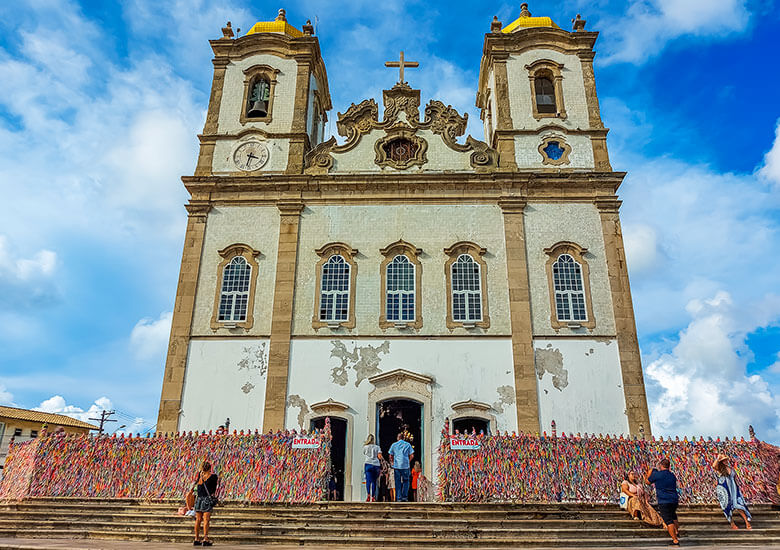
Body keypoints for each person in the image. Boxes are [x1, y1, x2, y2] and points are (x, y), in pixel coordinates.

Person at [645, 458, 680, 546]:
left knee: (668, 520)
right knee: (673, 515)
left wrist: (647, 474)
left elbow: (647, 482)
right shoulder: (672, 475)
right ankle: (676, 531)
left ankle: (675, 540)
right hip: (674, 499)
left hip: (664, 500)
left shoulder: (657, 475)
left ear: (661, 465)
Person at [712, 454, 752, 530]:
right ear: (722, 461)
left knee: (739, 505)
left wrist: (738, 488)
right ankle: (732, 524)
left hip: (733, 489)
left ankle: (747, 522)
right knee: (726, 506)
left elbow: (735, 479)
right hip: (725, 489)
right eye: (724, 460)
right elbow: (714, 466)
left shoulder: (731, 468)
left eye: (726, 460)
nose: (726, 461)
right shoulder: (720, 468)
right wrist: (718, 458)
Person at [193, 460, 218, 546]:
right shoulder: (213, 477)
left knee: (198, 519)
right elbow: (214, 489)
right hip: (207, 500)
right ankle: (205, 538)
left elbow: (197, 487)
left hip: (198, 500)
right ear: (210, 468)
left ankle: (196, 538)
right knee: (206, 519)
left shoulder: (200, 477)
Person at [388, 433, 414, 502]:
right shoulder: (408, 444)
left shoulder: (394, 445)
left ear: (397, 438)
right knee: (406, 481)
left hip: (397, 466)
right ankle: (404, 497)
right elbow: (412, 456)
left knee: (397, 482)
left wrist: (392, 462)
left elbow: (390, 455)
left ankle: (399, 498)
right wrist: (408, 461)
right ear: (404, 438)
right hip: (405, 466)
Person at [363, 434, 383, 502]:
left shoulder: (365, 447)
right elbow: (380, 456)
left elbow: (364, 453)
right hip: (376, 464)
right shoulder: (377, 447)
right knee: (374, 481)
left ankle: (368, 495)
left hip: (368, 464)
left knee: (368, 481)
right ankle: (373, 496)